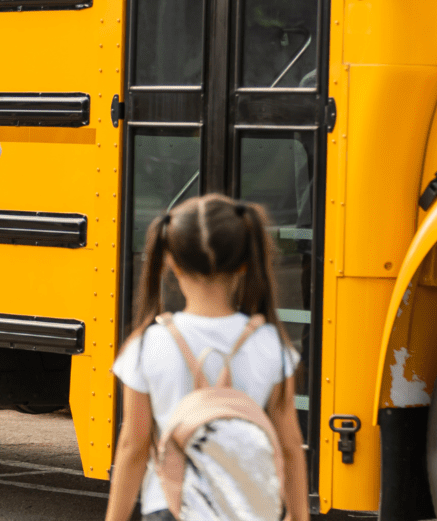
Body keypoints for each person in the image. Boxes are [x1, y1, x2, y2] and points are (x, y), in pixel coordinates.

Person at [106, 194, 311, 521]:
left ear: (171, 261)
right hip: (249, 510)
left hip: (172, 507)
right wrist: (299, 516)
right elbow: (289, 445)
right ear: (245, 262)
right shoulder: (270, 343)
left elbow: (133, 446)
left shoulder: (148, 344)